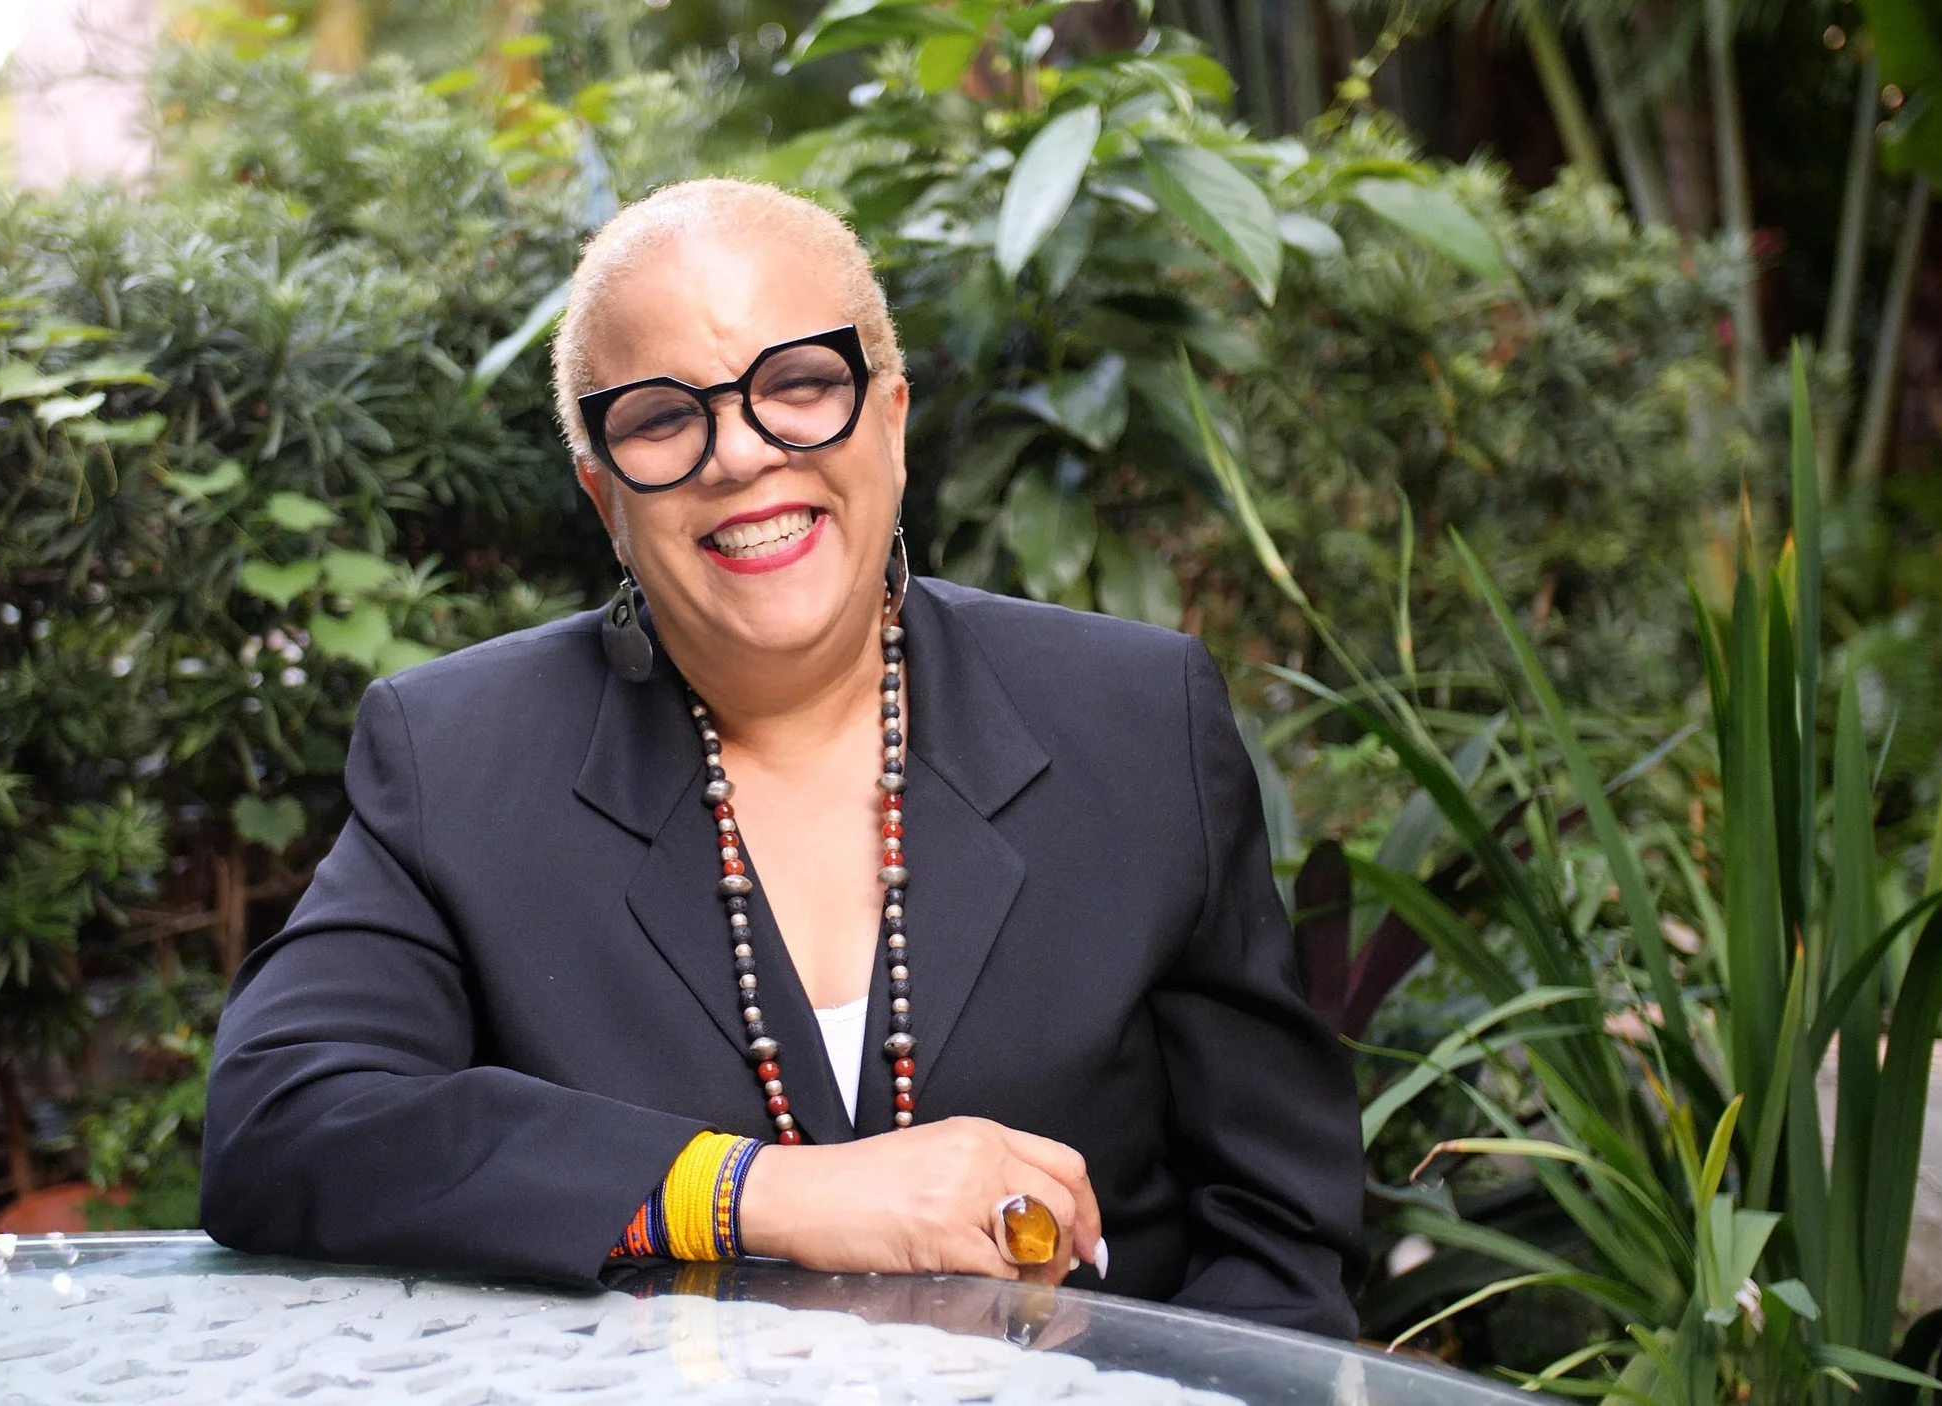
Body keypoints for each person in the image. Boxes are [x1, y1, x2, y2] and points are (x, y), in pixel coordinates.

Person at [199, 178, 1365, 1337]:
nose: (741, 453)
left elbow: (1275, 1234)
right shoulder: (457, 757)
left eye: (800, 384)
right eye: (661, 417)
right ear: (602, 491)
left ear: (892, 418)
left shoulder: (1136, 720)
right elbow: (282, 1124)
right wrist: (768, 1191)